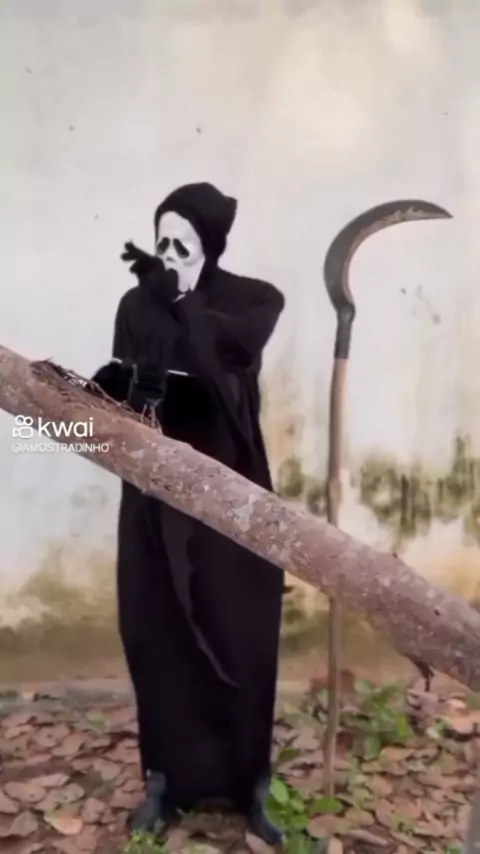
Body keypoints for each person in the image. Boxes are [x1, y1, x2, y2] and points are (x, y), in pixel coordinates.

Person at [91, 182, 286, 843]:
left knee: (240, 627)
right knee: (156, 626)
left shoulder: (255, 300)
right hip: (154, 486)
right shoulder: (134, 303)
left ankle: (247, 782)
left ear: (211, 246)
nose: (168, 255)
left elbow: (231, 365)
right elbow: (124, 402)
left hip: (230, 486)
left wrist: (179, 301)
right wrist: (126, 388)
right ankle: (164, 779)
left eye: (183, 244)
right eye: (161, 242)